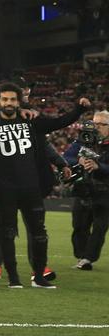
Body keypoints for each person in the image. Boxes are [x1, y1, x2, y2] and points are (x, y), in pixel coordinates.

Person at [0, 82, 90, 288]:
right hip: (5, 189)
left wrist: (80, 108)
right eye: (4, 99)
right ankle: (13, 278)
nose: (9, 103)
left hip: (32, 187)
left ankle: (39, 276)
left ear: (19, 101)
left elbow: (59, 122)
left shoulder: (32, 121)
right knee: (7, 233)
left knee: (39, 233)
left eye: (13, 99)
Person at [67, 110, 109, 270]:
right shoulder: (83, 140)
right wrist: (79, 159)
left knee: (100, 227)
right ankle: (81, 255)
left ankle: (88, 259)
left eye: (101, 124)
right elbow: (66, 157)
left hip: (105, 191)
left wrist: (99, 167)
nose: (97, 127)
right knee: (79, 225)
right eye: (95, 123)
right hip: (83, 189)